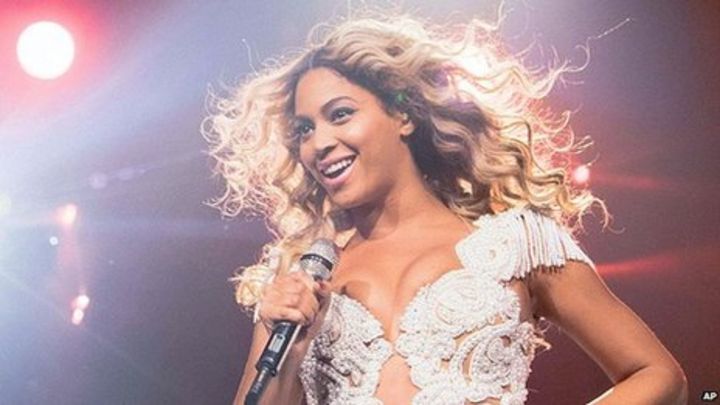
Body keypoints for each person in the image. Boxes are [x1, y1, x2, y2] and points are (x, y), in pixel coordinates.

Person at [204, 11, 687, 405]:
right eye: (304, 130)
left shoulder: (517, 242)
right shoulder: (302, 278)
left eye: (340, 114)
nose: (319, 144)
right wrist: (285, 346)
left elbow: (658, 375)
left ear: (403, 114)